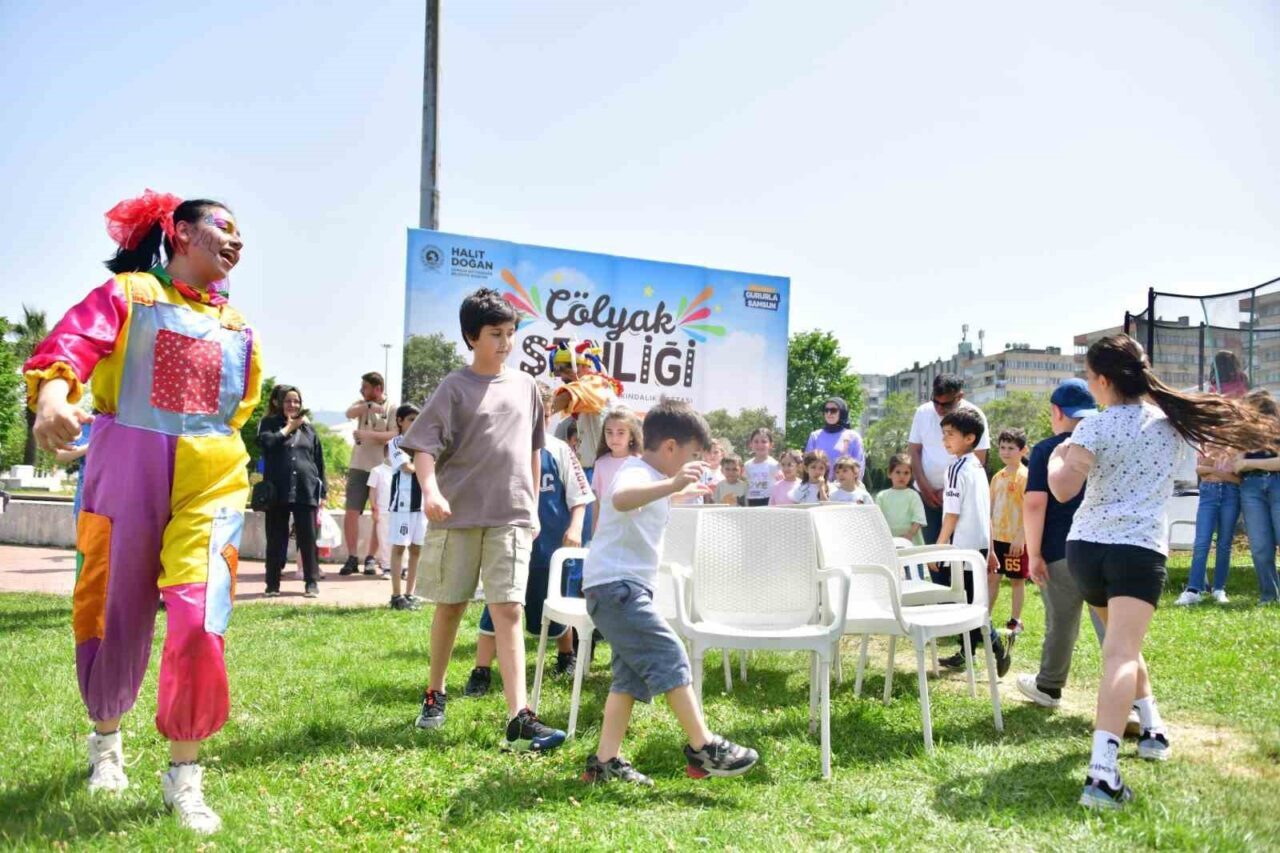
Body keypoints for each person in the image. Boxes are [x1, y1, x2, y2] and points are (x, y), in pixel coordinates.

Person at [25, 190, 261, 833]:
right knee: (112, 605)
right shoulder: (129, 295)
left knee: (198, 612)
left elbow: (236, 410)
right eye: (224, 227)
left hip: (212, 476)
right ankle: (106, 741)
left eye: (242, 232)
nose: (237, 241)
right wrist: (52, 395)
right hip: (126, 465)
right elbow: (72, 343)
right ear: (181, 234)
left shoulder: (238, 328)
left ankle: (184, 775)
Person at [1048, 333, 1276, 809]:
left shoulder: (1094, 428)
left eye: (1091, 379)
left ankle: (1151, 728)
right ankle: (1101, 777)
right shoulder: (1170, 425)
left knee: (1121, 646)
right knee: (1121, 654)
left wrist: (1056, 457)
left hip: (1087, 551)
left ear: (1105, 380)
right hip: (1135, 551)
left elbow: (1063, 490)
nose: (1091, 388)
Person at [400, 287, 566, 751]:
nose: (506, 342)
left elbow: (534, 451)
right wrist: (430, 490)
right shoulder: (454, 387)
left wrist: (531, 506)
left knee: (509, 609)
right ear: (472, 336)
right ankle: (435, 693)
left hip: (511, 516)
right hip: (457, 516)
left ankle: (519, 716)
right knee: (451, 605)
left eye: (511, 333)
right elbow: (424, 448)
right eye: (496, 334)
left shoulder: (528, 387)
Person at [581, 398, 759, 785]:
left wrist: (682, 492)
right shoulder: (635, 472)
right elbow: (621, 499)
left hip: (619, 590)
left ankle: (604, 763)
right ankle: (704, 746)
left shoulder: (650, 479)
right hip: (617, 588)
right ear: (670, 448)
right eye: (692, 454)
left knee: (628, 678)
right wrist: (674, 483)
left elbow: (648, 502)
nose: (690, 463)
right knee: (670, 653)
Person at [466, 381, 594, 697]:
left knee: (551, 601)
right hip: (508, 542)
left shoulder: (559, 450)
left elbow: (580, 496)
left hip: (549, 546)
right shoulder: (501, 447)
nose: (539, 419)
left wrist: (575, 527)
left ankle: (566, 655)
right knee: (498, 603)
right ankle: (481, 670)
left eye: (545, 413)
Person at [1016, 379, 1106, 710]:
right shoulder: (1106, 444)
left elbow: (1035, 504)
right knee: (1112, 629)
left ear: (1057, 412)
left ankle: (1049, 687)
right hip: (1104, 547)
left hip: (1060, 550)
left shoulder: (1046, 450)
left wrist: (1034, 553)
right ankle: (1131, 699)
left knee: (1061, 623)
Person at [933, 409, 1013, 675]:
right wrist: (989, 551)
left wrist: (939, 547)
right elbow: (985, 512)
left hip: (961, 549)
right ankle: (966, 653)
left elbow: (952, 515)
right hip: (977, 547)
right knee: (969, 602)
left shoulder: (957, 468)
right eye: (943, 434)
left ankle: (996, 645)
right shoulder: (978, 466)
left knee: (965, 605)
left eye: (951, 434)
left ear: (969, 438)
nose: (945, 440)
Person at [257, 384, 326, 598]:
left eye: (296, 401)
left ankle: (311, 582)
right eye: (288, 401)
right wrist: (288, 428)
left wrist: (322, 492)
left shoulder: (309, 429)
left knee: (308, 538)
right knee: (276, 538)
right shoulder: (268, 424)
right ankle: (272, 584)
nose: (293, 405)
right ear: (277, 402)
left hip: (305, 490)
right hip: (277, 491)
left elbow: (318, 461)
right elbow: (266, 443)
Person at [908, 374, 990, 545]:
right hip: (927, 496)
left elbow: (979, 459)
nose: (939, 408)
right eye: (935, 402)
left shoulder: (974, 416)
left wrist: (947, 490)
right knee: (935, 559)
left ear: (960, 396)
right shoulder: (922, 412)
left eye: (945, 404)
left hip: (962, 496)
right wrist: (925, 488)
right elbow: (914, 451)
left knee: (959, 553)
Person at [341, 372, 398, 577]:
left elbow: (394, 434)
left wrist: (368, 435)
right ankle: (352, 557)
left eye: (365, 387)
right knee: (351, 512)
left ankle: (371, 558)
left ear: (377, 388)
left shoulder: (392, 407)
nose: (361, 391)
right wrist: (366, 406)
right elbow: (349, 413)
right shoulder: (363, 404)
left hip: (381, 469)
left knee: (378, 514)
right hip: (358, 466)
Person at [1175, 440, 1241, 606]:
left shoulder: (1238, 442)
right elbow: (1200, 470)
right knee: (1202, 542)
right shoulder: (1205, 441)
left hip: (1231, 494)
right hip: (1209, 493)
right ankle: (1193, 589)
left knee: (1224, 543)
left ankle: (1219, 589)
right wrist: (1220, 469)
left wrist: (1212, 468)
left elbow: (1239, 478)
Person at [1233, 389, 1280, 604]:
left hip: (1276, 483)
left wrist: (1249, 463)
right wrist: (1243, 460)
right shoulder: (1245, 434)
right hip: (1251, 488)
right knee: (1260, 546)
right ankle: (1269, 596)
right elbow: (1236, 464)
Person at [382, 405, 427, 611]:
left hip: (422, 505)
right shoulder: (396, 443)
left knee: (417, 549)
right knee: (400, 548)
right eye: (411, 419)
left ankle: (410, 594)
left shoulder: (425, 443)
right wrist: (427, 467)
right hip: (403, 504)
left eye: (418, 419)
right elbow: (408, 468)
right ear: (399, 421)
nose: (415, 423)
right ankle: (395, 595)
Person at [989, 428, 1029, 633]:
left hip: (1016, 540)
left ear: (1023, 450)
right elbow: (990, 507)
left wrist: (1020, 537)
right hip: (996, 538)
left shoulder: (1026, 477)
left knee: (1016, 580)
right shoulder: (998, 477)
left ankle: (1015, 620)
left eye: (1011, 448)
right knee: (992, 578)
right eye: (1002, 447)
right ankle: (984, 619)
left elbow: (1030, 510)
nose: (1005, 452)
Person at [590, 407, 643, 535]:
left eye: (621, 432)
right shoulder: (600, 463)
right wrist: (593, 534)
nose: (614, 438)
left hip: (633, 531)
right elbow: (597, 502)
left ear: (631, 435)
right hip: (606, 532)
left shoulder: (641, 463)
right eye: (609, 432)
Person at [804, 397, 865, 480]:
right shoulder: (815, 436)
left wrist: (851, 488)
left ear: (842, 413)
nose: (829, 413)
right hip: (818, 487)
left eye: (833, 410)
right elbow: (808, 463)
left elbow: (859, 465)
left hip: (844, 488)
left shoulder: (853, 437)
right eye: (826, 410)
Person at [875, 453, 926, 545]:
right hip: (888, 541)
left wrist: (909, 534)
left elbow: (918, 519)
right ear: (890, 473)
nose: (902, 476)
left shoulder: (913, 495)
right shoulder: (881, 496)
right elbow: (877, 519)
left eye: (906, 473)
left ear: (911, 475)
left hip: (910, 540)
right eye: (898, 472)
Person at [743, 428, 781, 507]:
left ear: (771, 445)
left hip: (768, 501)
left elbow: (780, 485)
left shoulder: (774, 464)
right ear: (751, 444)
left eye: (764, 442)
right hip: (751, 501)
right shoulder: (747, 465)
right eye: (756, 441)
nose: (760, 445)